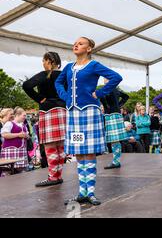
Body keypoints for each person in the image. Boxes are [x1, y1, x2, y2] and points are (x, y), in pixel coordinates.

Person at [56, 37, 122, 206]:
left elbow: (116, 77)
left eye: (81, 43)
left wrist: (99, 93)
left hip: (89, 113)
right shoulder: (69, 67)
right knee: (79, 151)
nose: (76, 44)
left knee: (90, 151)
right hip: (73, 114)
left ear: (89, 48)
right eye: (75, 42)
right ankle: (82, 192)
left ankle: (90, 192)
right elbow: (58, 82)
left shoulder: (93, 65)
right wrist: (65, 96)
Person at [21, 52, 66, 186]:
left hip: (48, 110)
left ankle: (53, 177)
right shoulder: (64, 75)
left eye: (43, 60)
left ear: (49, 61)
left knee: (50, 145)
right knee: (61, 145)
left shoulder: (44, 74)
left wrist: (39, 99)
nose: (42, 63)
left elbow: (26, 85)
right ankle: (58, 175)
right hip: (63, 110)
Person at [100, 79, 129, 169]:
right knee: (114, 140)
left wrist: (109, 107)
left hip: (111, 115)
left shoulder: (107, 89)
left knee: (114, 140)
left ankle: (116, 162)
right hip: (115, 114)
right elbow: (126, 96)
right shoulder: (116, 88)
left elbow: (104, 100)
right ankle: (116, 161)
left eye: (105, 78)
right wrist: (118, 105)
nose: (104, 79)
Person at [0, 107, 30, 174]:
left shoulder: (24, 125)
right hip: (10, 151)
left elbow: (27, 136)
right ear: (17, 115)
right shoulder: (9, 124)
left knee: (21, 172)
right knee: (8, 171)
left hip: (21, 151)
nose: (25, 117)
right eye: (24, 115)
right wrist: (18, 135)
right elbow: (4, 135)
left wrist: (27, 136)